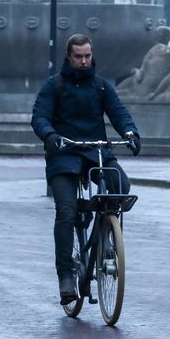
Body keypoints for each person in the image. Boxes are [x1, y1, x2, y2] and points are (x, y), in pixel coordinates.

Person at [30, 34, 141, 305]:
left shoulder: (101, 87)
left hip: (96, 151)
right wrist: (50, 135)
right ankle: (66, 275)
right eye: (78, 56)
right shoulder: (54, 86)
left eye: (87, 56)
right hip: (64, 153)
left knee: (121, 188)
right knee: (66, 211)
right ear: (69, 56)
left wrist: (130, 132)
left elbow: (119, 112)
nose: (83, 61)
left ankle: (107, 232)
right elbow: (39, 117)